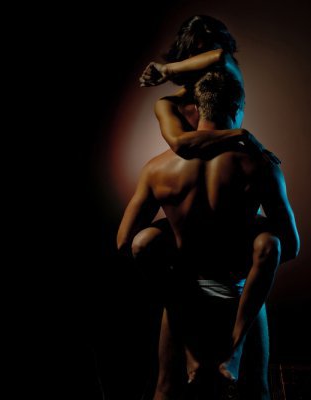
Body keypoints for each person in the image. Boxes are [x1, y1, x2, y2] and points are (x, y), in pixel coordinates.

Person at [117, 71, 299, 399]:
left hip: (184, 299)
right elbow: (291, 246)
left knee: (166, 389)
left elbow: (125, 242)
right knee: (256, 391)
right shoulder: (260, 165)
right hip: (240, 294)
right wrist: (254, 229)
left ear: (198, 109)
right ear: (237, 108)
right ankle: (234, 353)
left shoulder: (158, 167)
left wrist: (172, 229)